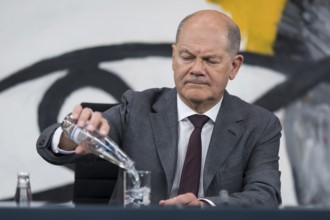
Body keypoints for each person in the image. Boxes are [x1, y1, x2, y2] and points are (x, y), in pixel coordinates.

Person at [36, 9, 282, 207]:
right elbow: (52, 146)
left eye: (210, 60)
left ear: (234, 66)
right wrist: (71, 135)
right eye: (187, 57)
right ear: (174, 57)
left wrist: (205, 206)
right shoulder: (137, 108)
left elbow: (265, 196)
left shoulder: (259, 125)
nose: (196, 69)